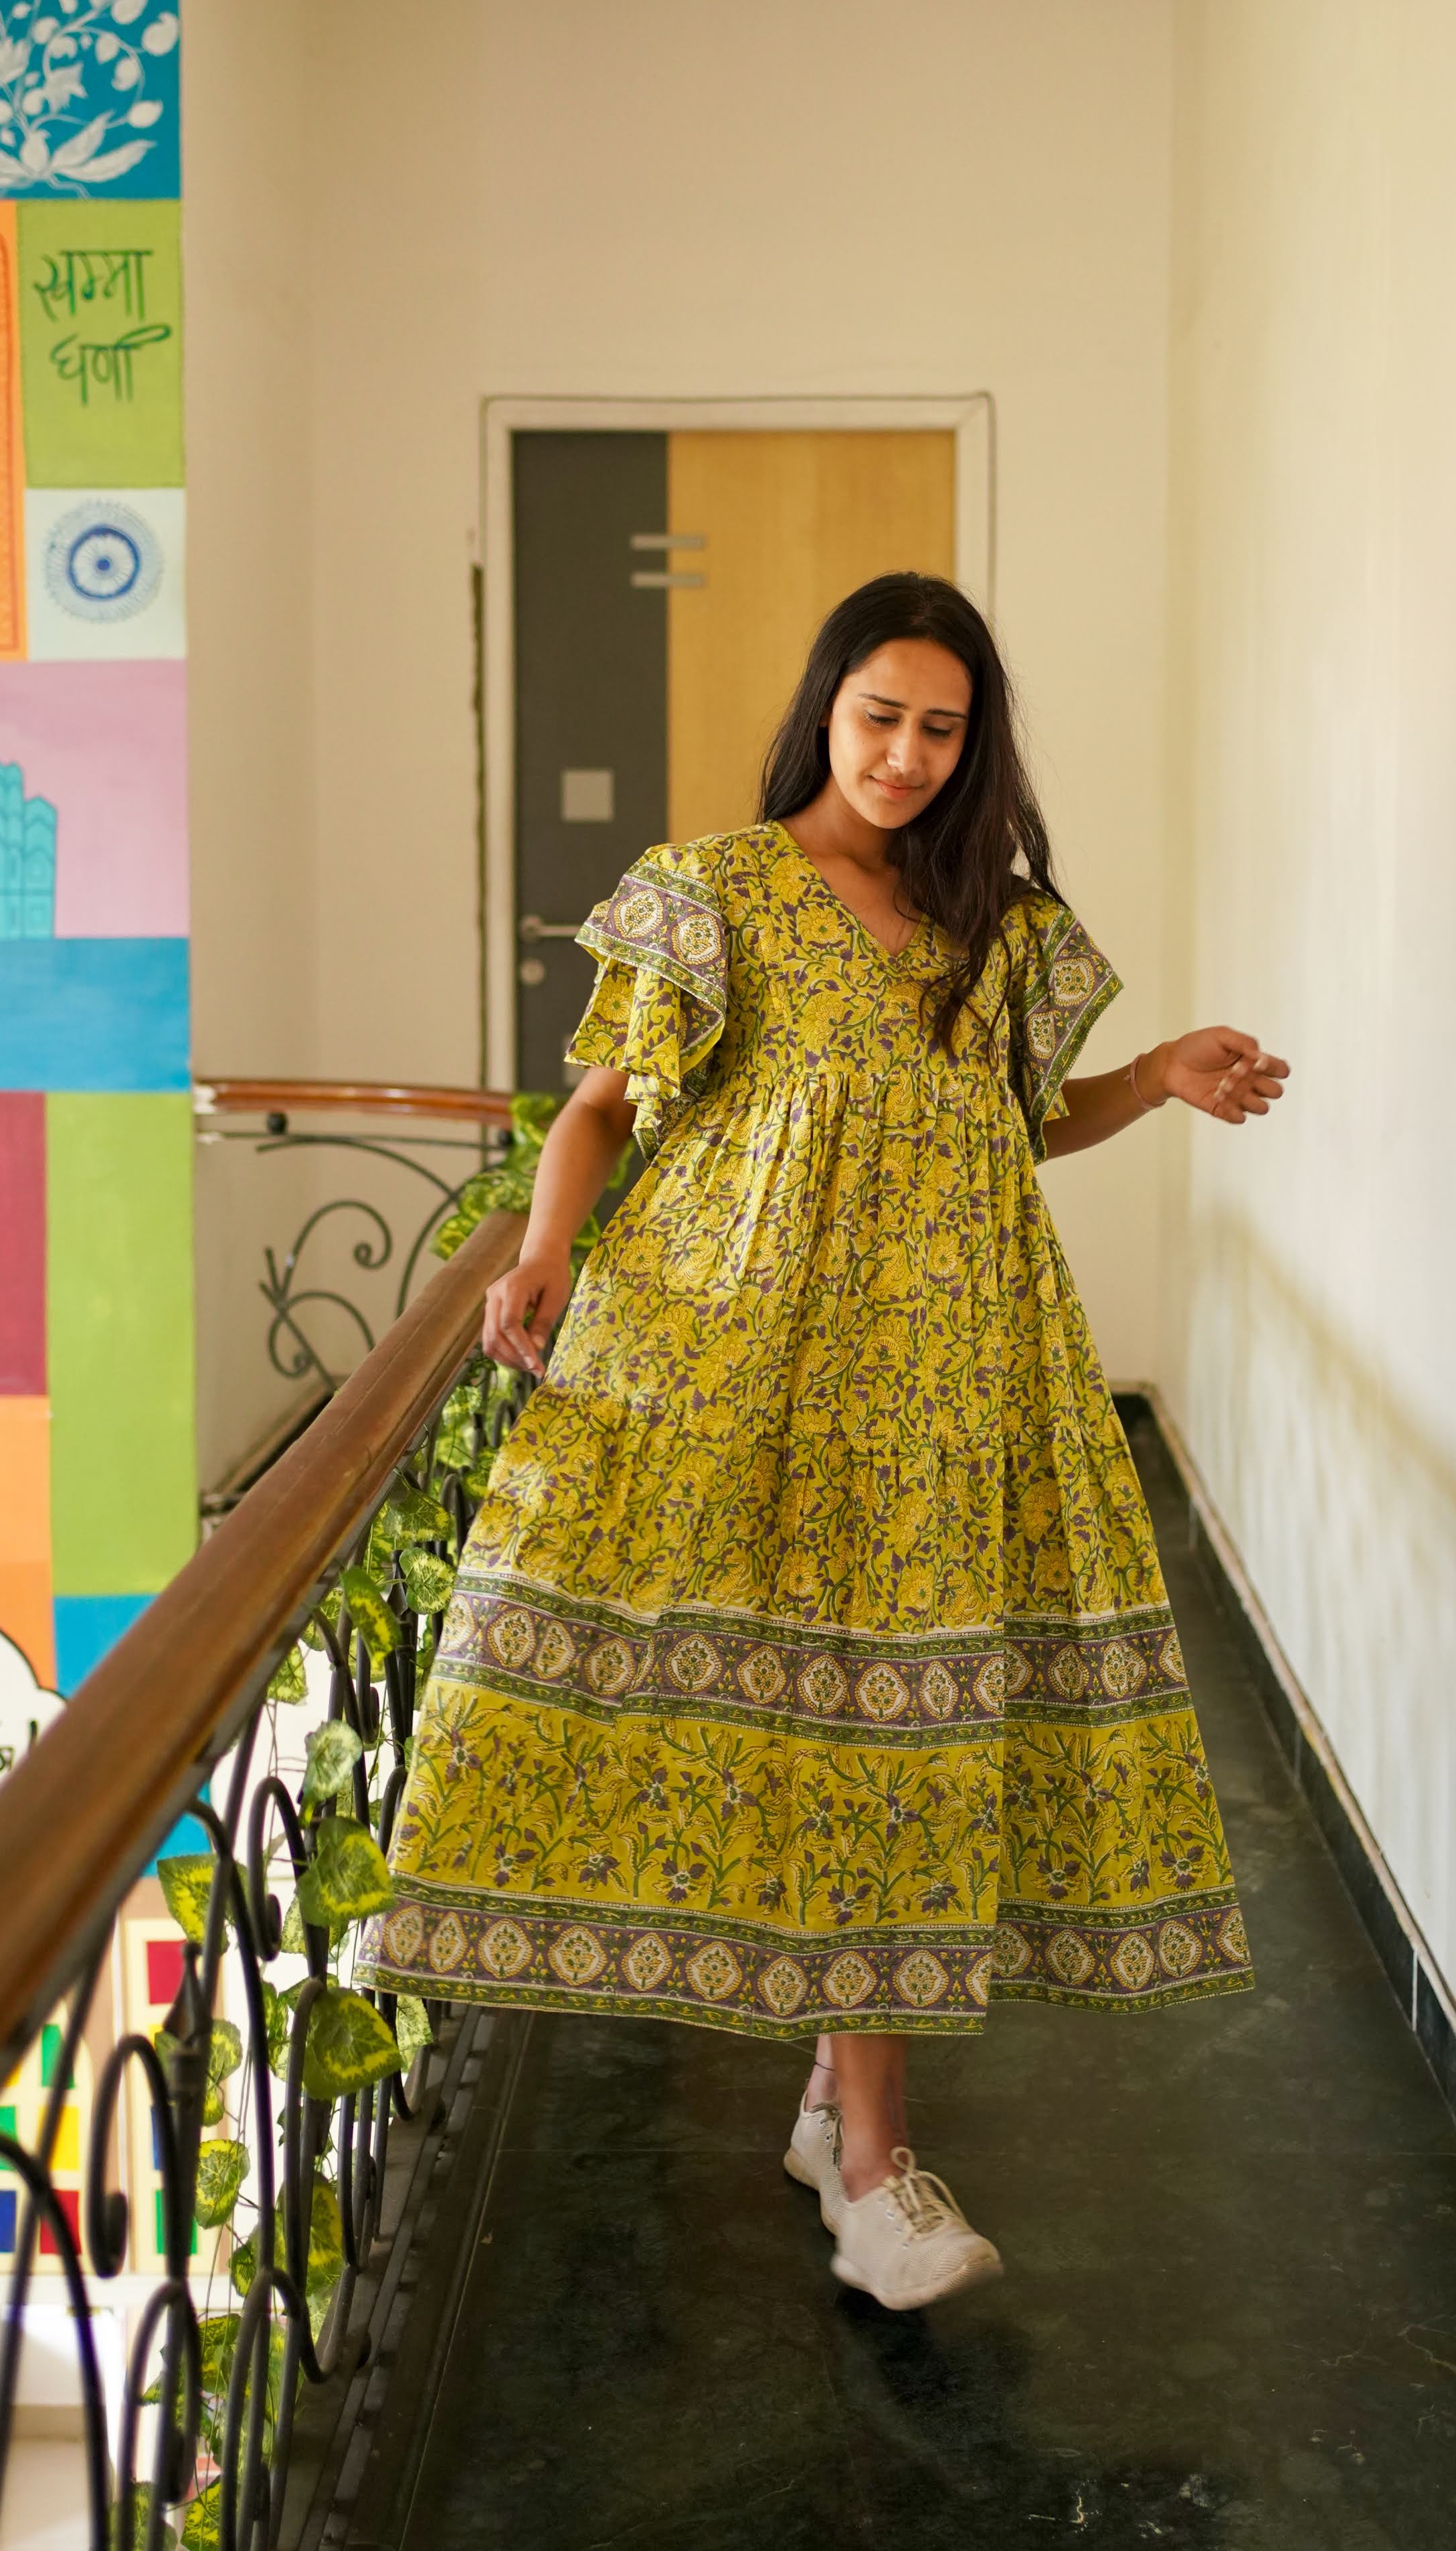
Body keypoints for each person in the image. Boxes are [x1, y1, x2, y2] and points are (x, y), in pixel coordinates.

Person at [366, 574, 1289, 2312]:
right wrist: (548, 1247)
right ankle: (856, 2150)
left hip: (947, 1384)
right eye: (881, 717)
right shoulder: (711, 893)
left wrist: (1155, 1075)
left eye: (943, 729)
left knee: (902, 1740)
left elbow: (1018, 1120)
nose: (909, 757)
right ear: (825, 710)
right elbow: (598, 1107)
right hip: (741, 1361)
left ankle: (859, 2155)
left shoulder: (995, 925)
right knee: (820, 1734)